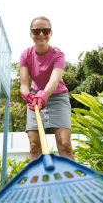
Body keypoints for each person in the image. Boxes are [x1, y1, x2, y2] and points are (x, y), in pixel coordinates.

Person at [19, 16, 74, 161]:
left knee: (65, 145)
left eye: (45, 30)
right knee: (34, 146)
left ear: (51, 33)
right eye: (36, 31)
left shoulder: (58, 55)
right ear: (31, 34)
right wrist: (27, 95)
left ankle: (69, 181)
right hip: (34, 100)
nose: (41, 34)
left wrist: (45, 94)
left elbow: (55, 79)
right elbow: (24, 84)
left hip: (57, 98)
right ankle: (35, 183)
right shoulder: (25, 55)